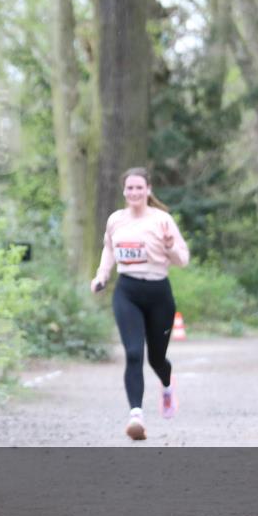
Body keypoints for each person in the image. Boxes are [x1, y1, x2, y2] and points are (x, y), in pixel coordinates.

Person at [91, 167, 189, 441]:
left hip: (159, 292)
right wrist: (101, 275)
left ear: (148, 190)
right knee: (133, 353)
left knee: (156, 358)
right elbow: (109, 249)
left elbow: (183, 260)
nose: (134, 192)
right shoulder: (116, 220)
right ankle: (136, 415)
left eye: (139, 188)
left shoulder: (162, 220)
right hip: (127, 291)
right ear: (124, 191)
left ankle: (167, 386)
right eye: (129, 188)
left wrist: (169, 246)